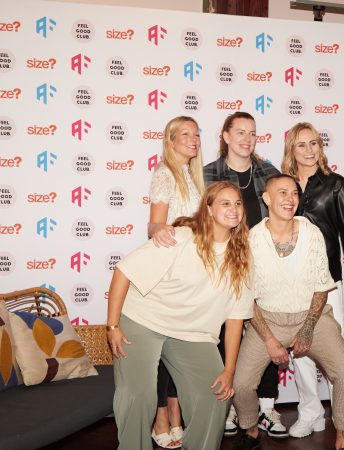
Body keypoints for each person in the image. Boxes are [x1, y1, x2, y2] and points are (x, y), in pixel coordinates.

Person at [107, 181, 253, 450]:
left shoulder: (242, 257)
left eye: (238, 203)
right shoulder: (181, 237)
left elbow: (235, 319)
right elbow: (124, 270)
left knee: (217, 395)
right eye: (225, 203)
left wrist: (229, 370)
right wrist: (113, 326)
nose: (233, 209)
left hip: (193, 333)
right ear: (208, 209)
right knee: (138, 396)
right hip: (144, 320)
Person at [233, 174, 344, 450]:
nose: (290, 199)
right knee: (241, 384)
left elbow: (321, 287)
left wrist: (307, 329)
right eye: (282, 193)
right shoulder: (252, 239)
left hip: (312, 317)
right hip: (267, 320)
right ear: (267, 199)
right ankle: (251, 431)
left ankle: (342, 439)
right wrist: (269, 340)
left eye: (294, 193)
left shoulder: (312, 233)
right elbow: (247, 298)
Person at [204, 111, 285, 439]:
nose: (247, 139)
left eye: (252, 133)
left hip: (264, 265)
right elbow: (200, 220)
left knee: (267, 330)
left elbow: (285, 214)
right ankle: (228, 406)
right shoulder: (207, 174)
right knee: (226, 331)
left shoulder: (268, 172)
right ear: (225, 136)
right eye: (240, 132)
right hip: (224, 264)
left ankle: (266, 408)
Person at [281, 122, 344, 449]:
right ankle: (310, 412)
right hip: (291, 282)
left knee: (335, 354)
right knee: (299, 351)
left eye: (313, 143)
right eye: (301, 144)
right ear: (292, 149)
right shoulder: (284, 185)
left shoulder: (335, 184)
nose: (309, 150)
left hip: (328, 280)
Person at [147, 116, 205, 448]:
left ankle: (176, 411)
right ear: (170, 140)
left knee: (179, 349)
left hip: (191, 274)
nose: (193, 139)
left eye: (196, 134)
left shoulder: (193, 177)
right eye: (185, 134)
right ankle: (161, 417)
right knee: (163, 350)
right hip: (168, 273)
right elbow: (154, 225)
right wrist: (162, 230)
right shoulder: (165, 173)